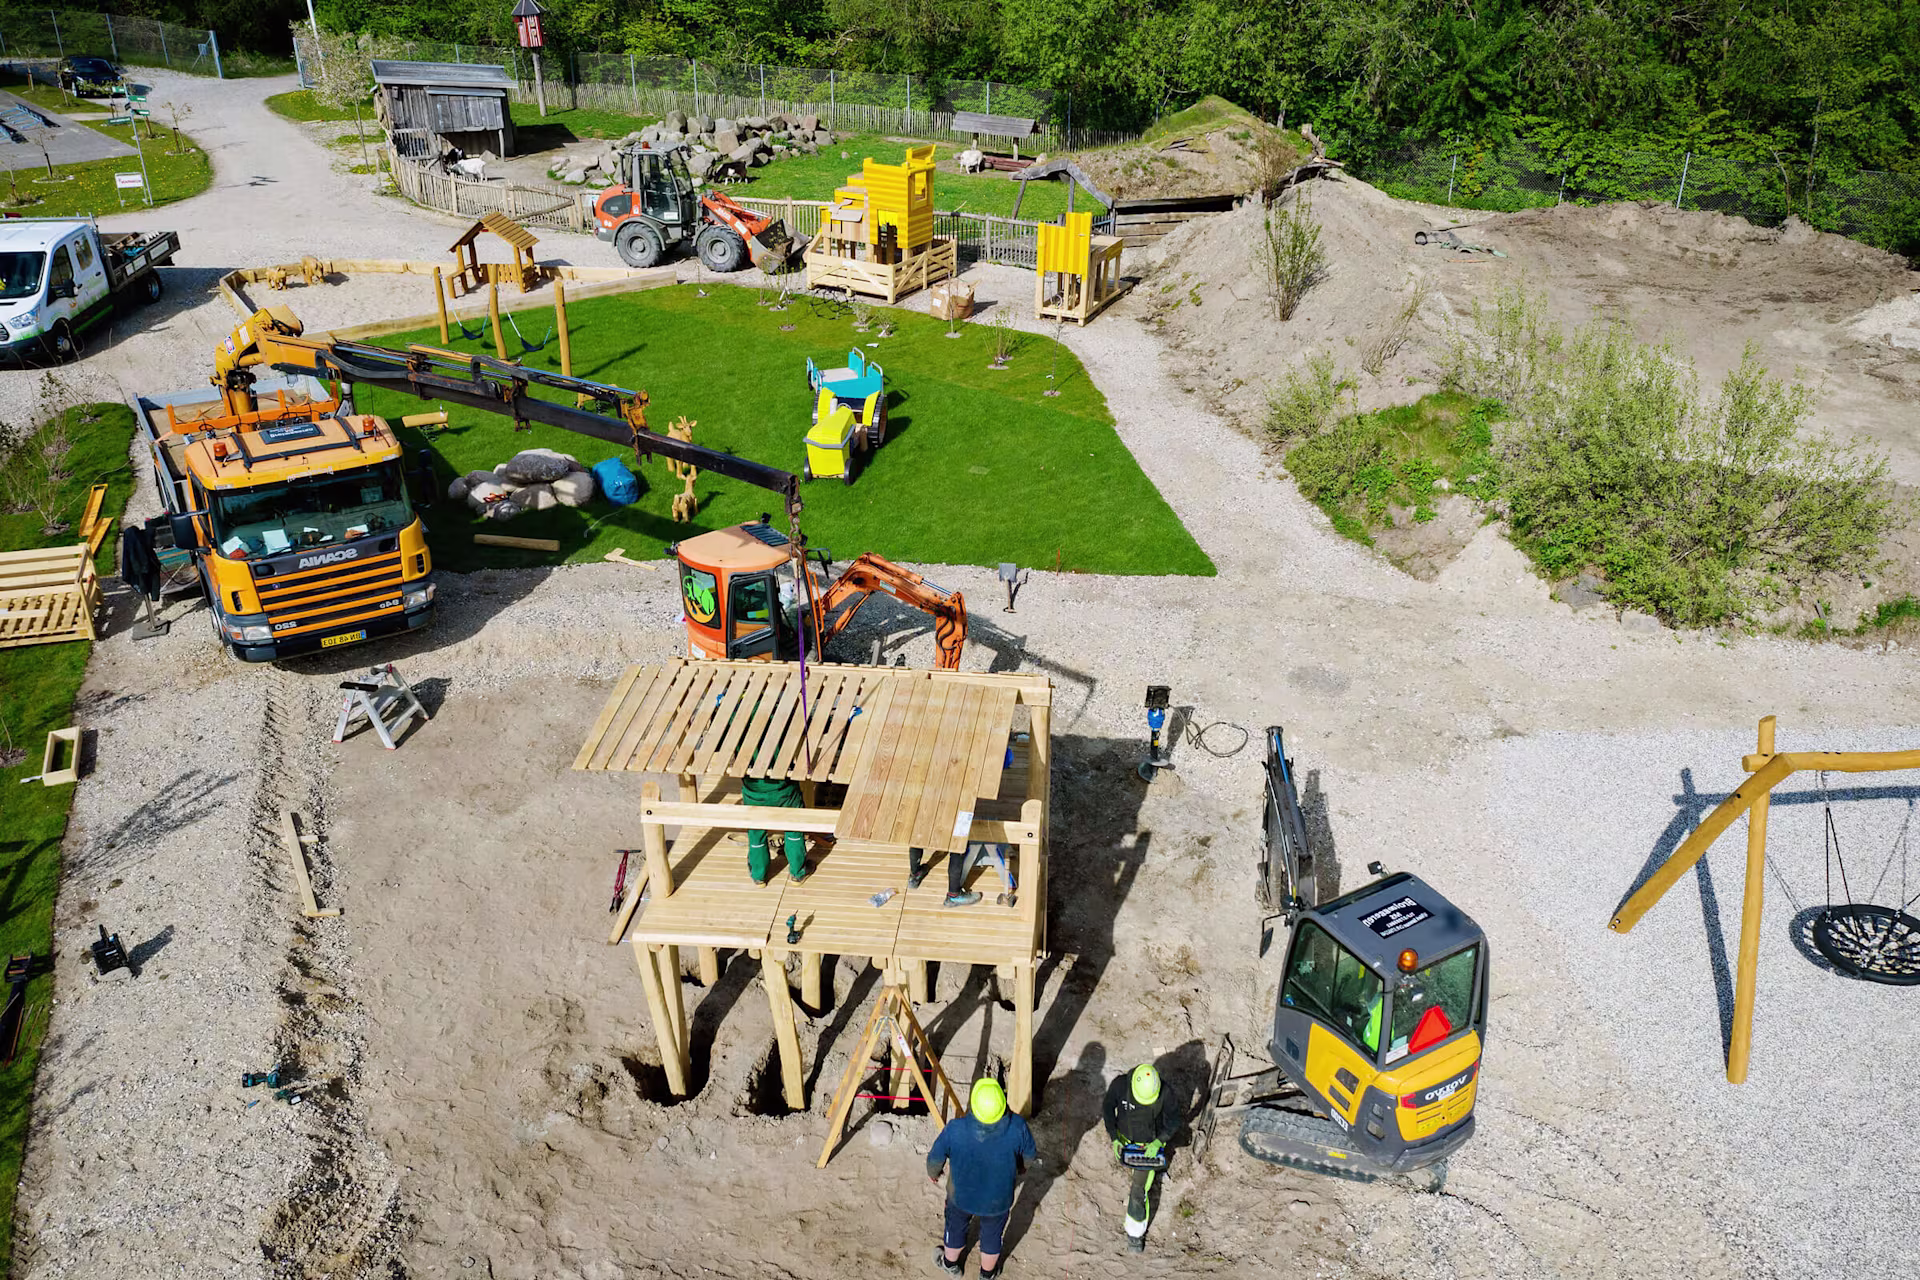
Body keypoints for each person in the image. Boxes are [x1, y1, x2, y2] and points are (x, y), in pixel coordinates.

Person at [927, 1078, 1037, 1279]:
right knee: (992, 1237)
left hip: (960, 1197)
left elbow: (935, 1157)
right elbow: (1029, 1156)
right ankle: (987, 1274)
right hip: (998, 1201)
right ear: (1003, 1103)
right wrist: (1021, 1168)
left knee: (955, 1228)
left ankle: (950, 1264)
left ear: (973, 1104)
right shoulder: (1018, 1127)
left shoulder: (955, 1128)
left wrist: (933, 1173)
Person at [1102, 1063, 1178, 1253]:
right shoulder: (1120, 1085)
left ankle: (1135, 1234)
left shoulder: (1165, 1092)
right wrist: (1114, 1138)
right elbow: (1107, 1108)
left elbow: (1174, 1120)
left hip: (1148, 1147)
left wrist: (1159, 1142)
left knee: (1138, 1190)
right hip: (1125, 1140)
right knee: (1136, 1183)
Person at [743, 773, 808, 885]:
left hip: (753, 792)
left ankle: (759, 875)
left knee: (756, 830)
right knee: (793, 826)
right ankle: (798, 872)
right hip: (785, 791)